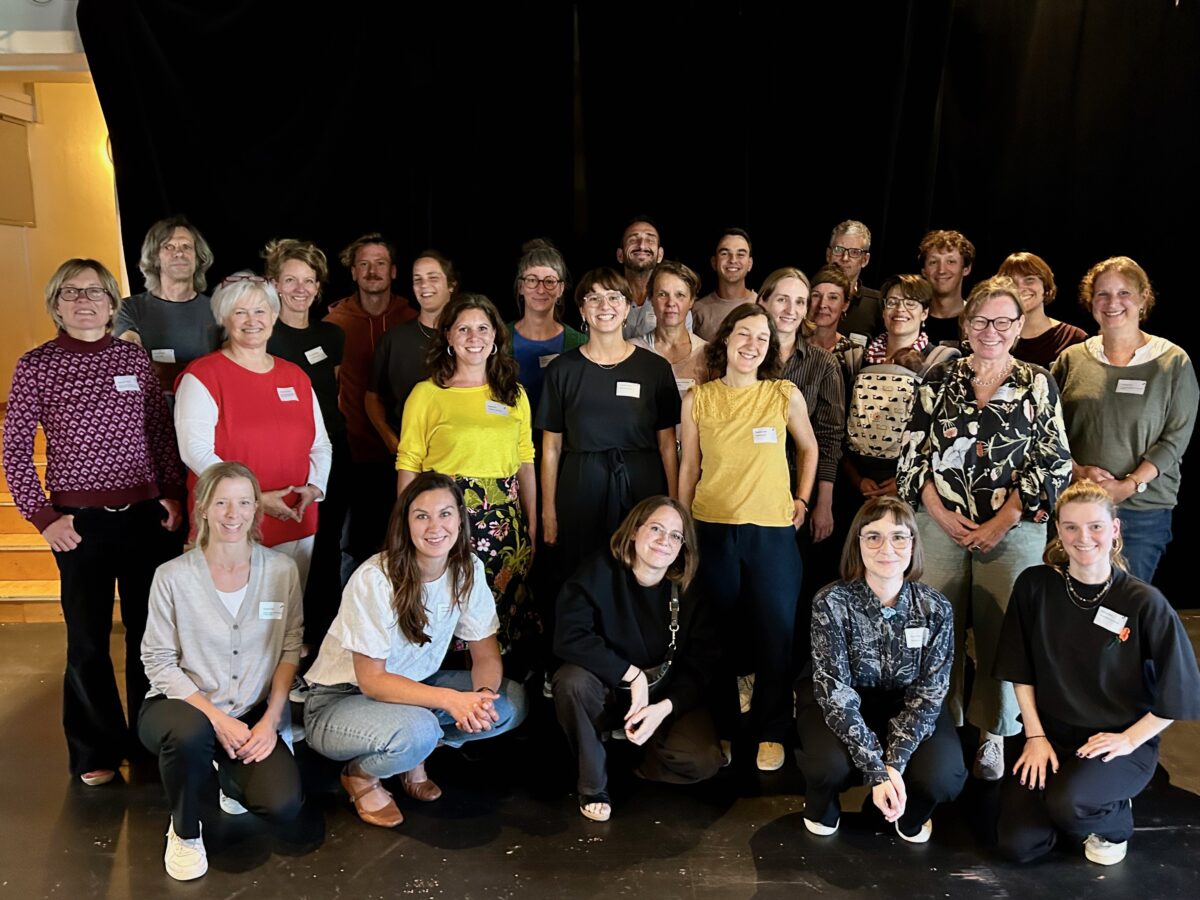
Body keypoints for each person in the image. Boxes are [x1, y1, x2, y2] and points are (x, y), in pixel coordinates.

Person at [2, 258, 184, 787]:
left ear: (111, 302)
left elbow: (159, 433)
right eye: (71, 292)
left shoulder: (135, 360)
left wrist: (171, 494)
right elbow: (14, 450)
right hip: (77, 525)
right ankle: (94, 749)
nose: (84, 301)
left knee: (150, 637)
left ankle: (150, 740)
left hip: (146, 519)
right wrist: (42, 518)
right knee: (87, 640)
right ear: (56, 304)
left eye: (96, 292)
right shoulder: (36, 365)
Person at [897, 274, 1072, 782]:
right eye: (980, 320)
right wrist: (938, 509)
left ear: (1017, 327)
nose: (990, 330)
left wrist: (1004, 519)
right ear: (965, 324)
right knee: (934, 630)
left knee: (1003, 633)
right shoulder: (936, 379)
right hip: (939, 524)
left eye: (1002, 321)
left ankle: (994, 733)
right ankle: (938, 724)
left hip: (1013, 530)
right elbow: (914, 452)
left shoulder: (1037, 381)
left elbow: (1053, 458)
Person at [303, 472, 527, 828]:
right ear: (405, 523)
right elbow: (373, 682)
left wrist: (481, 697)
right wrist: (451, 701)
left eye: (445, 514)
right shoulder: (376, 578)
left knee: (508, 702)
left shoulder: (467, 569)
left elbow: (485, 655)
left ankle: (411, 752)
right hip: (339, 700)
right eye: (421, 515)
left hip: (414, 692)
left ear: (460, 519)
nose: (435, 526)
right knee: (420, 728)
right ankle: (361, 775)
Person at [994, 480, 1200, 866]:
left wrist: (1129, 740)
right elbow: (1019, 670)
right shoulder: (1035, 586)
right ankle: (1076, 804)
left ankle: (1112, 819)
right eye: (1070, 526)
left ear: (1115, 530)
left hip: (1115, 740)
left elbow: (1180, 692)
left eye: (1095, 526)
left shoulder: (1143, 602)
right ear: (1058, 529)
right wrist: (1035, 736)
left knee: (1069, 802)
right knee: (1019, 846)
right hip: (1049, 735)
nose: (1083, 537)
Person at [139, 462, 317, 881]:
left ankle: (228, 776)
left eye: (242, 502)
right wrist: (216, 719)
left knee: (282, 804)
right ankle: (184, 831)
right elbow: (158, 661)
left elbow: (291, 647)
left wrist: (272, 721)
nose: (231, 514)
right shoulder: (172, 577)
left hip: (251, 713)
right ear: (203, 508)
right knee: (190, 733)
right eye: (221, 502)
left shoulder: (281, 571)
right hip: (180, 709)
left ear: (257, 508)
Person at [678, 304, 818, 771]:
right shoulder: (698, 398)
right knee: (714, 636)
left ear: (770, 349)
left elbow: (809, 447)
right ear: (725, 340)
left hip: (773, 534)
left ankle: (771, 731)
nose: (752, 344)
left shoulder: (782, 394)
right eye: (744, 334)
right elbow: (689, 466)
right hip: (711, 529)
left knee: (776, 636)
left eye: (762, 337)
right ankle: (722, 727)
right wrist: (681, 523)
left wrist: (802, 498)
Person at [798, 497, 965, 842]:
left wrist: (894, 765)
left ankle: (907, 812)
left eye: (899, 537)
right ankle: (821, 805)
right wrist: (877, 771)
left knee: (944, 777)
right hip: (844, 702)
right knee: (827, 767)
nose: (886, 547)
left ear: (913, 545)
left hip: (908, 705)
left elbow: (929, 694)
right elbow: (836, 695)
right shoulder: (830, 603)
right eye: (873, 536)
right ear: (857, 544)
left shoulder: (936, 608)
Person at [553, 497, 723, 821]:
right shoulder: (599, 571)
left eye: (675, 535)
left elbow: (702, 668)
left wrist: (663, 708)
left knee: (703, 760)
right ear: (634, 531)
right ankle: (592, 784)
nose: (664, 540)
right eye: (656, 528)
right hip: (607, 691)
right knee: (571, 681)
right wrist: (631, 675)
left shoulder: (691, 591)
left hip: (660, 697)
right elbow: (569, 636)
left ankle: (636, 761)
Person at [396, 294, 538, 664]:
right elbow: (408, 461)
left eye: (482, 328)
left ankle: (494, 695)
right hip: (446, 519)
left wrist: (533, 524)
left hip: (504, 521)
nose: (473, 337)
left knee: (499, 610)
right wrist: (405, 524)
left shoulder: (514, 394)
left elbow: (526, 461)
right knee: (446, 603)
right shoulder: (427, 394)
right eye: (463, 329)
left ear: (495, 337)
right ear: (448, 337)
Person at [175, 274, 332, 586]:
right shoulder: (203, 375)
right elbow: (196, 451)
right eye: (240, 312)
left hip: (294, 518)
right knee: (232, 619)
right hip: (230, 521)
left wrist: (315, 488)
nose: (252, 321)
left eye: (260, 311)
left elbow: (320, 444)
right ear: (224, 318)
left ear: (274, 315)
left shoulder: (296, 376)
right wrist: (254, 499)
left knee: (283, 617)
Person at [1052, 256, 1198, 585]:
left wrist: (1127, 485)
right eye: (1102, 294)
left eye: (1124, 293)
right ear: (1090, 300)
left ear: (1143, 298)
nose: (1112, 303)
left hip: (1142, 512)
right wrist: (1077, 471)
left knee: (1122, 613)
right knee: (1074, 607)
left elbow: (1175, 438)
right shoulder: (1071, 359)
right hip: (1078, 508)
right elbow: (1049, 431)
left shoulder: (1173, 362)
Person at [537, 267, 681, 566]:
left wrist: (675, 505)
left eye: (614, 297)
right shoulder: (562, 370)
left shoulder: (655, 369)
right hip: (580, 486)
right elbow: (550, 448)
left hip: (643, 485)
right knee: (581, 571)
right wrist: (548, 512)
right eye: (594, 298)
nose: (605, 306)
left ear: (628, 306)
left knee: (640, 571)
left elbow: (668, 445)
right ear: (582, 309)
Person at [263, 239, 347, 647]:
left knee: (326, 552)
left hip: (330, 456)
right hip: (282, 462)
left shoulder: (331, 336)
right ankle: (280, 646)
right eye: (290, 280)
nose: (300, 288)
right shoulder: (262, 333)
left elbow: (333, 396)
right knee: (280, 559)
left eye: (309, 281)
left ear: (318, 287)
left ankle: (319, 641)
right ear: (274, 283)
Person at [325, 233, 415, 568]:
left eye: (380, 263)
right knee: (353, 546)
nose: (372, 271)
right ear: (352, 272)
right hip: (353, 452)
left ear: (393, 271)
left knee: (400, 542)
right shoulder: (335, 323)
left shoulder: (412, 318)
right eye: (364, 264)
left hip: (404, 451)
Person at [841, 274, 960, 502]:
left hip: (912, 487)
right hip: (854, 484)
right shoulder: (857, 358)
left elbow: (946, 434)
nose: (900, 309)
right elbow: (839, 425)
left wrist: (906, 478)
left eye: (910, 302)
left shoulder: (942, 363)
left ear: (924, 312)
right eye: (892, 302)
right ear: (883, 310)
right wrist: (856, 479)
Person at [757, 267, 844, 544]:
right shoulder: (743, 356)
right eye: (782, 299)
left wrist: (823, 502)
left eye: (799, 302)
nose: (790, 309)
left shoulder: (823, 363)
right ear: (763, 301)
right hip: (746, 483)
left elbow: (830, 438)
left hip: (798, 490)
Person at [114, 215, 220, 399]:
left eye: (186, 247)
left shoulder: (219, 309)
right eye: (168, 246)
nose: (179, 253)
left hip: (204, 418)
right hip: (149, 418)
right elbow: (134, 368)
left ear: (198, 257)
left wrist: (163, 372)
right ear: (155, 257)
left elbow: (230, 371)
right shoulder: (128, 309)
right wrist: (199, 372)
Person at [367, 251, 460, 456]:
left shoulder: (470, 340)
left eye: (433, 278)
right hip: (408, 453)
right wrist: (392, 441)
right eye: (418, 279)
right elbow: (372, 398)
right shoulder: (394, 340)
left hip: (460, 452)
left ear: (451, 285)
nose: (424, 285)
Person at [507, 239, 587, 420]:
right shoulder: (499, 338)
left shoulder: (580, 343)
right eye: (532, 280)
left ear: (560, 289)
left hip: (563, 444)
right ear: (521, 287)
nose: (540, 290)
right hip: (510, 443)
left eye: (549, 281)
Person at [631, 260, 709, 396]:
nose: (671, 303)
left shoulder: (709, 354)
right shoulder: (631, 351)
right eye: (662, 294)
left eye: (680, 295)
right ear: (651, 299)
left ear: (691, 301)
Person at [998, 251, 1087, 368]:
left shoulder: (1073, 338)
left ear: (1046, 287)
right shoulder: (993, 336)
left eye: (1029, 279)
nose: (1019, 288)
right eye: (1011, 282)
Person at [692, 228, 757, 342]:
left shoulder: (762, 306)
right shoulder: (697, 310)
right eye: (725, 253)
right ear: (714, 262)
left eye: (740, 254)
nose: (732, 260)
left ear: (750, 264)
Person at [825, 219, 883, 341]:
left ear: (865, 260)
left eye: (854, 252)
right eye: (838, 250)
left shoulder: (877, 304)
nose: (844, 258)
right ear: (828, 254)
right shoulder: (806, 296)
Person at [917, 229, 975, 346]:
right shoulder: (910, 320)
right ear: (923, 271)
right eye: (933, 262)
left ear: (966, 269)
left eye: (951, 261)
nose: (941, 270)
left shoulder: (977, 321)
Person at [615, 216, 666, 339]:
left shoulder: (672, 300)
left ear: (660, 255)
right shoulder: (606, 299)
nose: (642, 245)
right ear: (620, 255)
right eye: (633, 240)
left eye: (650, 240)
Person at [804, 266, 857, 356]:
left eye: (833, 297)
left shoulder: (853, 354)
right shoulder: (791, 345)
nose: (822, 304)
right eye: (816, 295)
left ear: (845, 305)